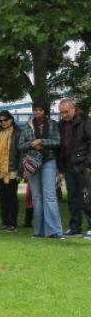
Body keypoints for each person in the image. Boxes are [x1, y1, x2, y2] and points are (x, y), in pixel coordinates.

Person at [18, 99, 63, 238]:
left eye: (40, 110)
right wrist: (32, 143)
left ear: (45, 111)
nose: (37, 112)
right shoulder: (27, 126)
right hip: (33, 163)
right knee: (36, 197)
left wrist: (42, 142)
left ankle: (55, 231)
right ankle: (39, 231)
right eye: (35, 110)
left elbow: (57, 142)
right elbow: (21, 145)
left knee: (49, 196)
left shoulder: (53, 124)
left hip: (49, 161)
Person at [57, 99, 91, 238]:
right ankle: (75, 227)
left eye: (66, 111)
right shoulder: (61, 125)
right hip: (69, 165)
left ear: (73, 109)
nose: (64, 115)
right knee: (72, 198)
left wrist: (88, 164)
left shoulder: (85, 121)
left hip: (84, 165)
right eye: (61, 112)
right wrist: (61, 167)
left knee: (87, 197)